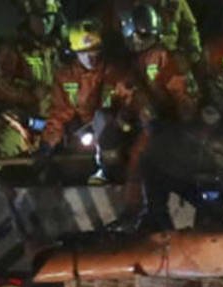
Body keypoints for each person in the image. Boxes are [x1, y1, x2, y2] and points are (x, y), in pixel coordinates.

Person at [40, 17, 148, 206]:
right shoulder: (66, 77)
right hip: (83, 136)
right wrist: (48, 144)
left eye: (94, 50)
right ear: (74, 52)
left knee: (103, 117)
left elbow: (132, 101)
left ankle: (109, 171)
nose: (91, 57)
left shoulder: (115, 73)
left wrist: (125, 117)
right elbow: (59, 112)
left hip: (114, 138)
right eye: (84, 52)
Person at [0, 0, 66, 159]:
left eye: (49, 17)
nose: (44, 22)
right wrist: (31, 93)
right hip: (21, 117)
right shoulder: (13, 49)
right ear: (28, 18)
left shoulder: (62, 51)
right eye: (39, 17)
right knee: (1, 156)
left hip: (55, 120)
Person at [121, 3, 200, 123]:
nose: (136, 39)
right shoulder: (133, 61)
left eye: (139, 36)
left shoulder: (175, 2)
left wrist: (193, 52)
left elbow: (188, 27)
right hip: (146, 115)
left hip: (166, 54)